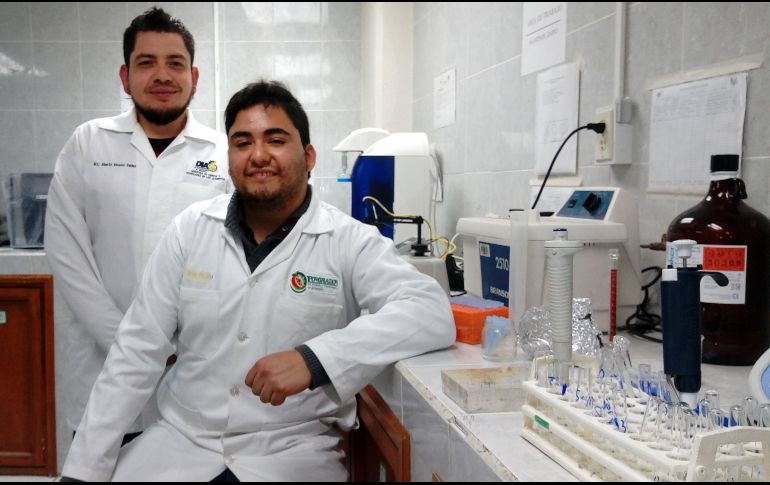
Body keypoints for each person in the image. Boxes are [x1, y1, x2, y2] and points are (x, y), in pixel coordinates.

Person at [60, 80, 455, 481]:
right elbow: (136, 351)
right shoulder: (190, 231)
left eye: (276, 139)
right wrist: (83, 469)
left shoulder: (347, 240)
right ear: (229, 156)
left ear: (309, 155)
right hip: (181, 442)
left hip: (292, 450)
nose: (259, 155)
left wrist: (314, 359)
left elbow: (430, 310)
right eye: (242, 142)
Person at [45, 7, 229, 445]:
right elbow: (68, 256)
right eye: (147, 63)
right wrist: (129, 344)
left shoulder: (222, 153)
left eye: (175, 63)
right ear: (125, 77)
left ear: (195, 77)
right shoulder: (88, 143)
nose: (162, 75)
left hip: (194, 369)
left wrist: (182, 347)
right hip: (100, 368)